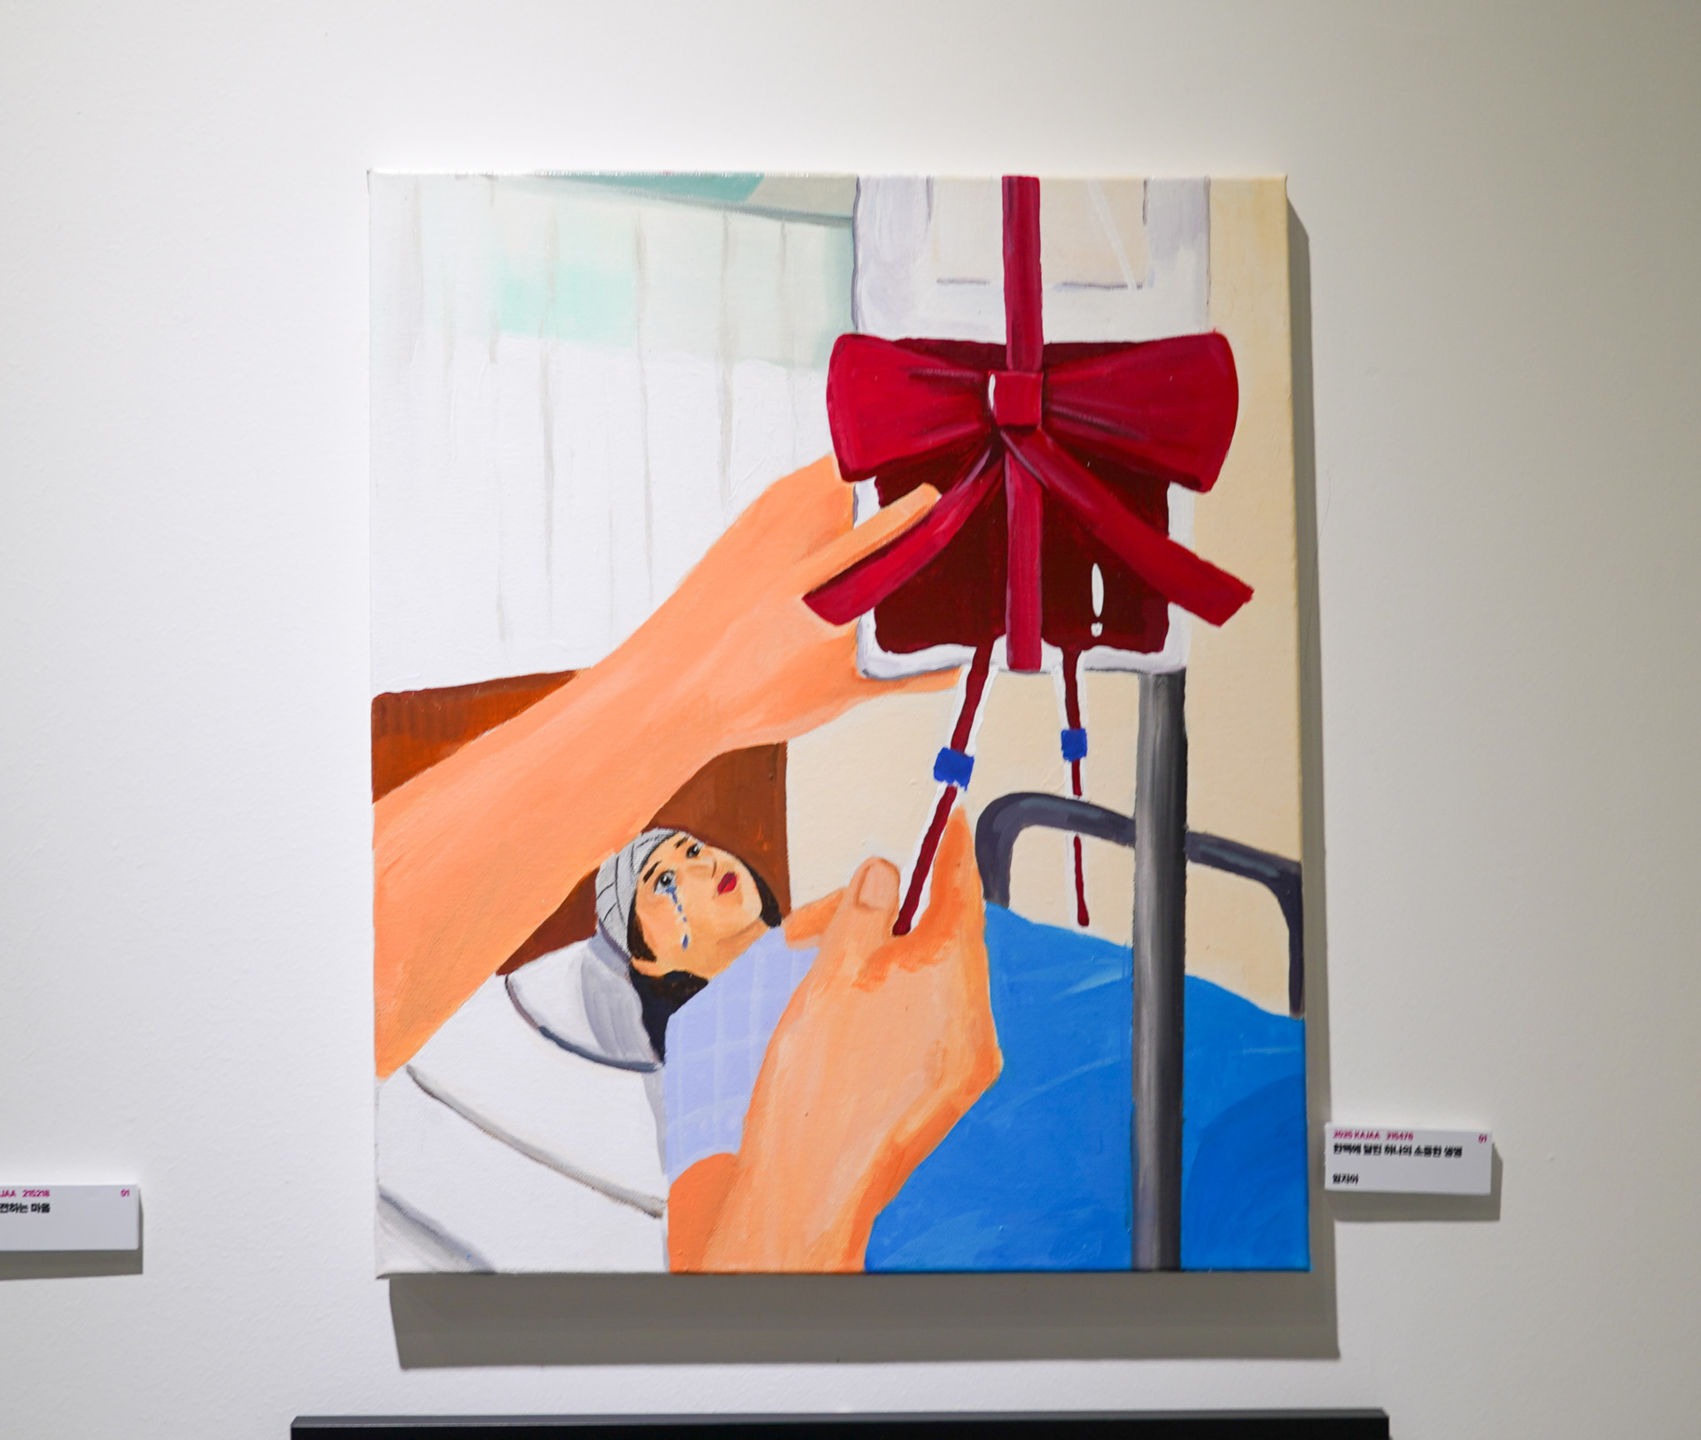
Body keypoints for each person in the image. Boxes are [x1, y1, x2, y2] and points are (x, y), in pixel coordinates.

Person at [373, 457, 1001, 1273]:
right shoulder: (704, 1047)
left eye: (693, 849)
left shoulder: (860, 946)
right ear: (649, 958)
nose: (699, 865)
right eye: (662, 882)